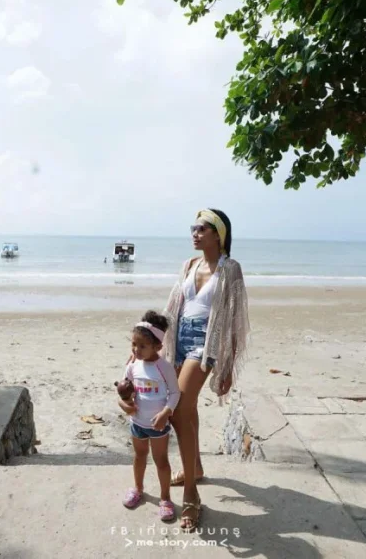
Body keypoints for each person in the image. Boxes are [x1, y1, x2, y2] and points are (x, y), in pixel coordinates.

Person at [161, 208, 250, 532]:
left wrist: (228, 366)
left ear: (218, 234)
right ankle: (194, 467)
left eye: (202, 228)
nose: (195, 233)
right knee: (187, 410)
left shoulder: (231, 269)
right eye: (193, 228)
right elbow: (174, 308)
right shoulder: (189, 264)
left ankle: (191, 496)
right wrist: (152, 342)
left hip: (205, 345)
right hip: (179, 341)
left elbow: (236, 320)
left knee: (176, 408)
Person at [117, 310, 181, 522]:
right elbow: (123, 389)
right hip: (137, 423)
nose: (136, 349)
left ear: (158, 347)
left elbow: (175, 393)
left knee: (161, 460)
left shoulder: (164, 368)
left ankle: (165, 499)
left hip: (158, 425)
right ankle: (138, 489)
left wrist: (166, 412)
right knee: (139, 457)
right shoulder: (132, 365)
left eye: (142, 346)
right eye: (133, 344)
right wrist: (124, 404)